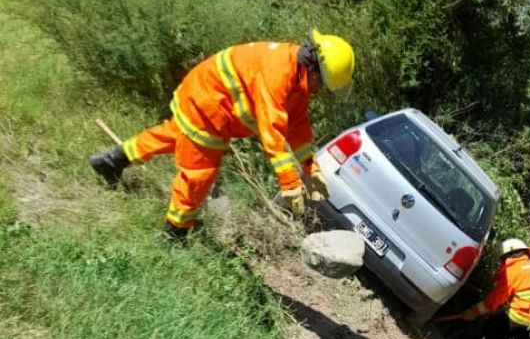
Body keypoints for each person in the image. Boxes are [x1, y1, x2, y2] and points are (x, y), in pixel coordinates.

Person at [88, 30, 355, 241]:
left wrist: (311, 167)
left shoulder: (297, 78)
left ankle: (112, 161)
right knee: (199, 173)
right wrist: (289, 183)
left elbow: (296, 123)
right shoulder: (278, 74)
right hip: (208, 105)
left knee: (171, 136)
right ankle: (174, 234)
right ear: (314, 69)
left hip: (207, 96)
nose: (320, 91)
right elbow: (271, 131)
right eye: (322, 84)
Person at [459, 238, 530, 339]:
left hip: (521, 317)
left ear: (506, 256)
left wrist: (472, 312)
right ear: (525, 252)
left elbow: (493, 301)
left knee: (487, 336)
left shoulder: (511, 271)